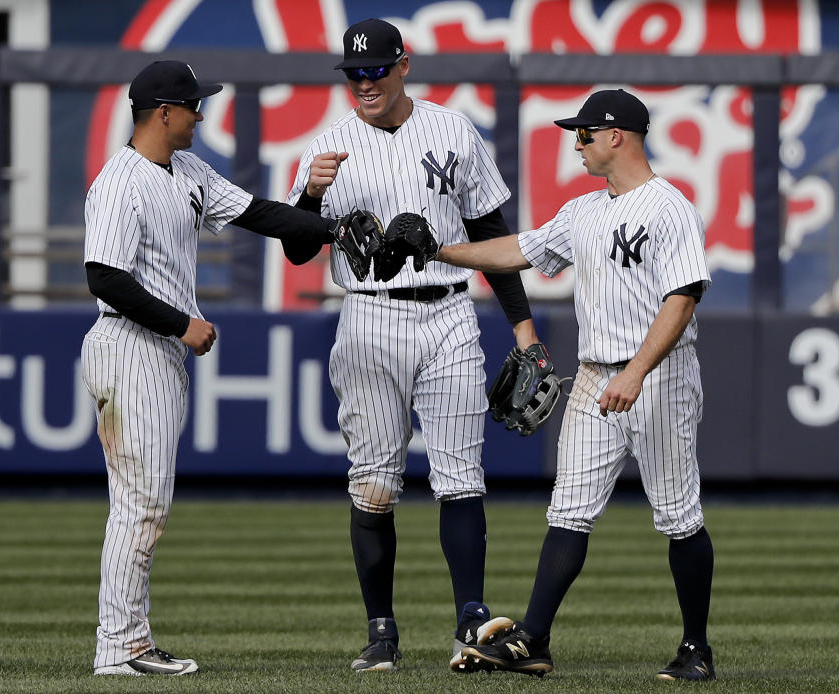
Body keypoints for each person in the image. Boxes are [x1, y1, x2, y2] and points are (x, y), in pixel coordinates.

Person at [281, 18, 539, 672]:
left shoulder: (451, 130)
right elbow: (295, 249)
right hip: (367, 318)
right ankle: (380, 631)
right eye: (353, 73)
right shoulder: (329, 147)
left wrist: (523, 327)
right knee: (372, 488)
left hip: (449, 310)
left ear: (402, 66)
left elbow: (490, 232)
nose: (363, 83)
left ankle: (470, 623)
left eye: (375, 70)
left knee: (460, 479)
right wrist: (312, 193)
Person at [441, 89, 716, 681]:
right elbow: (517, 250)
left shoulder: (670, 207)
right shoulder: (584, 211)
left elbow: (683, 296)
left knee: (677, 515)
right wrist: (438, 250)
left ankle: (696, 648)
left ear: (617, 135)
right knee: (568, 510)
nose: (578, 142)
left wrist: (638, 371)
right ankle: (534, 640)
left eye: (586, 133)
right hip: (596, 375)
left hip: (660, 375)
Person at [82, 60, 343, 677]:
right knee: (141, 505)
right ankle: (119, 648)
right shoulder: (121, 182)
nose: (202, 114)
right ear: (164, 112)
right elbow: (104, 276)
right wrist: (181, 322)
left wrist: (333, 225)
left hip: (153, 352)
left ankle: (127, 643)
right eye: (194, 105)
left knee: (143, 503)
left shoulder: (185, 169)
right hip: (128, 347)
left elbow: (260, 213)